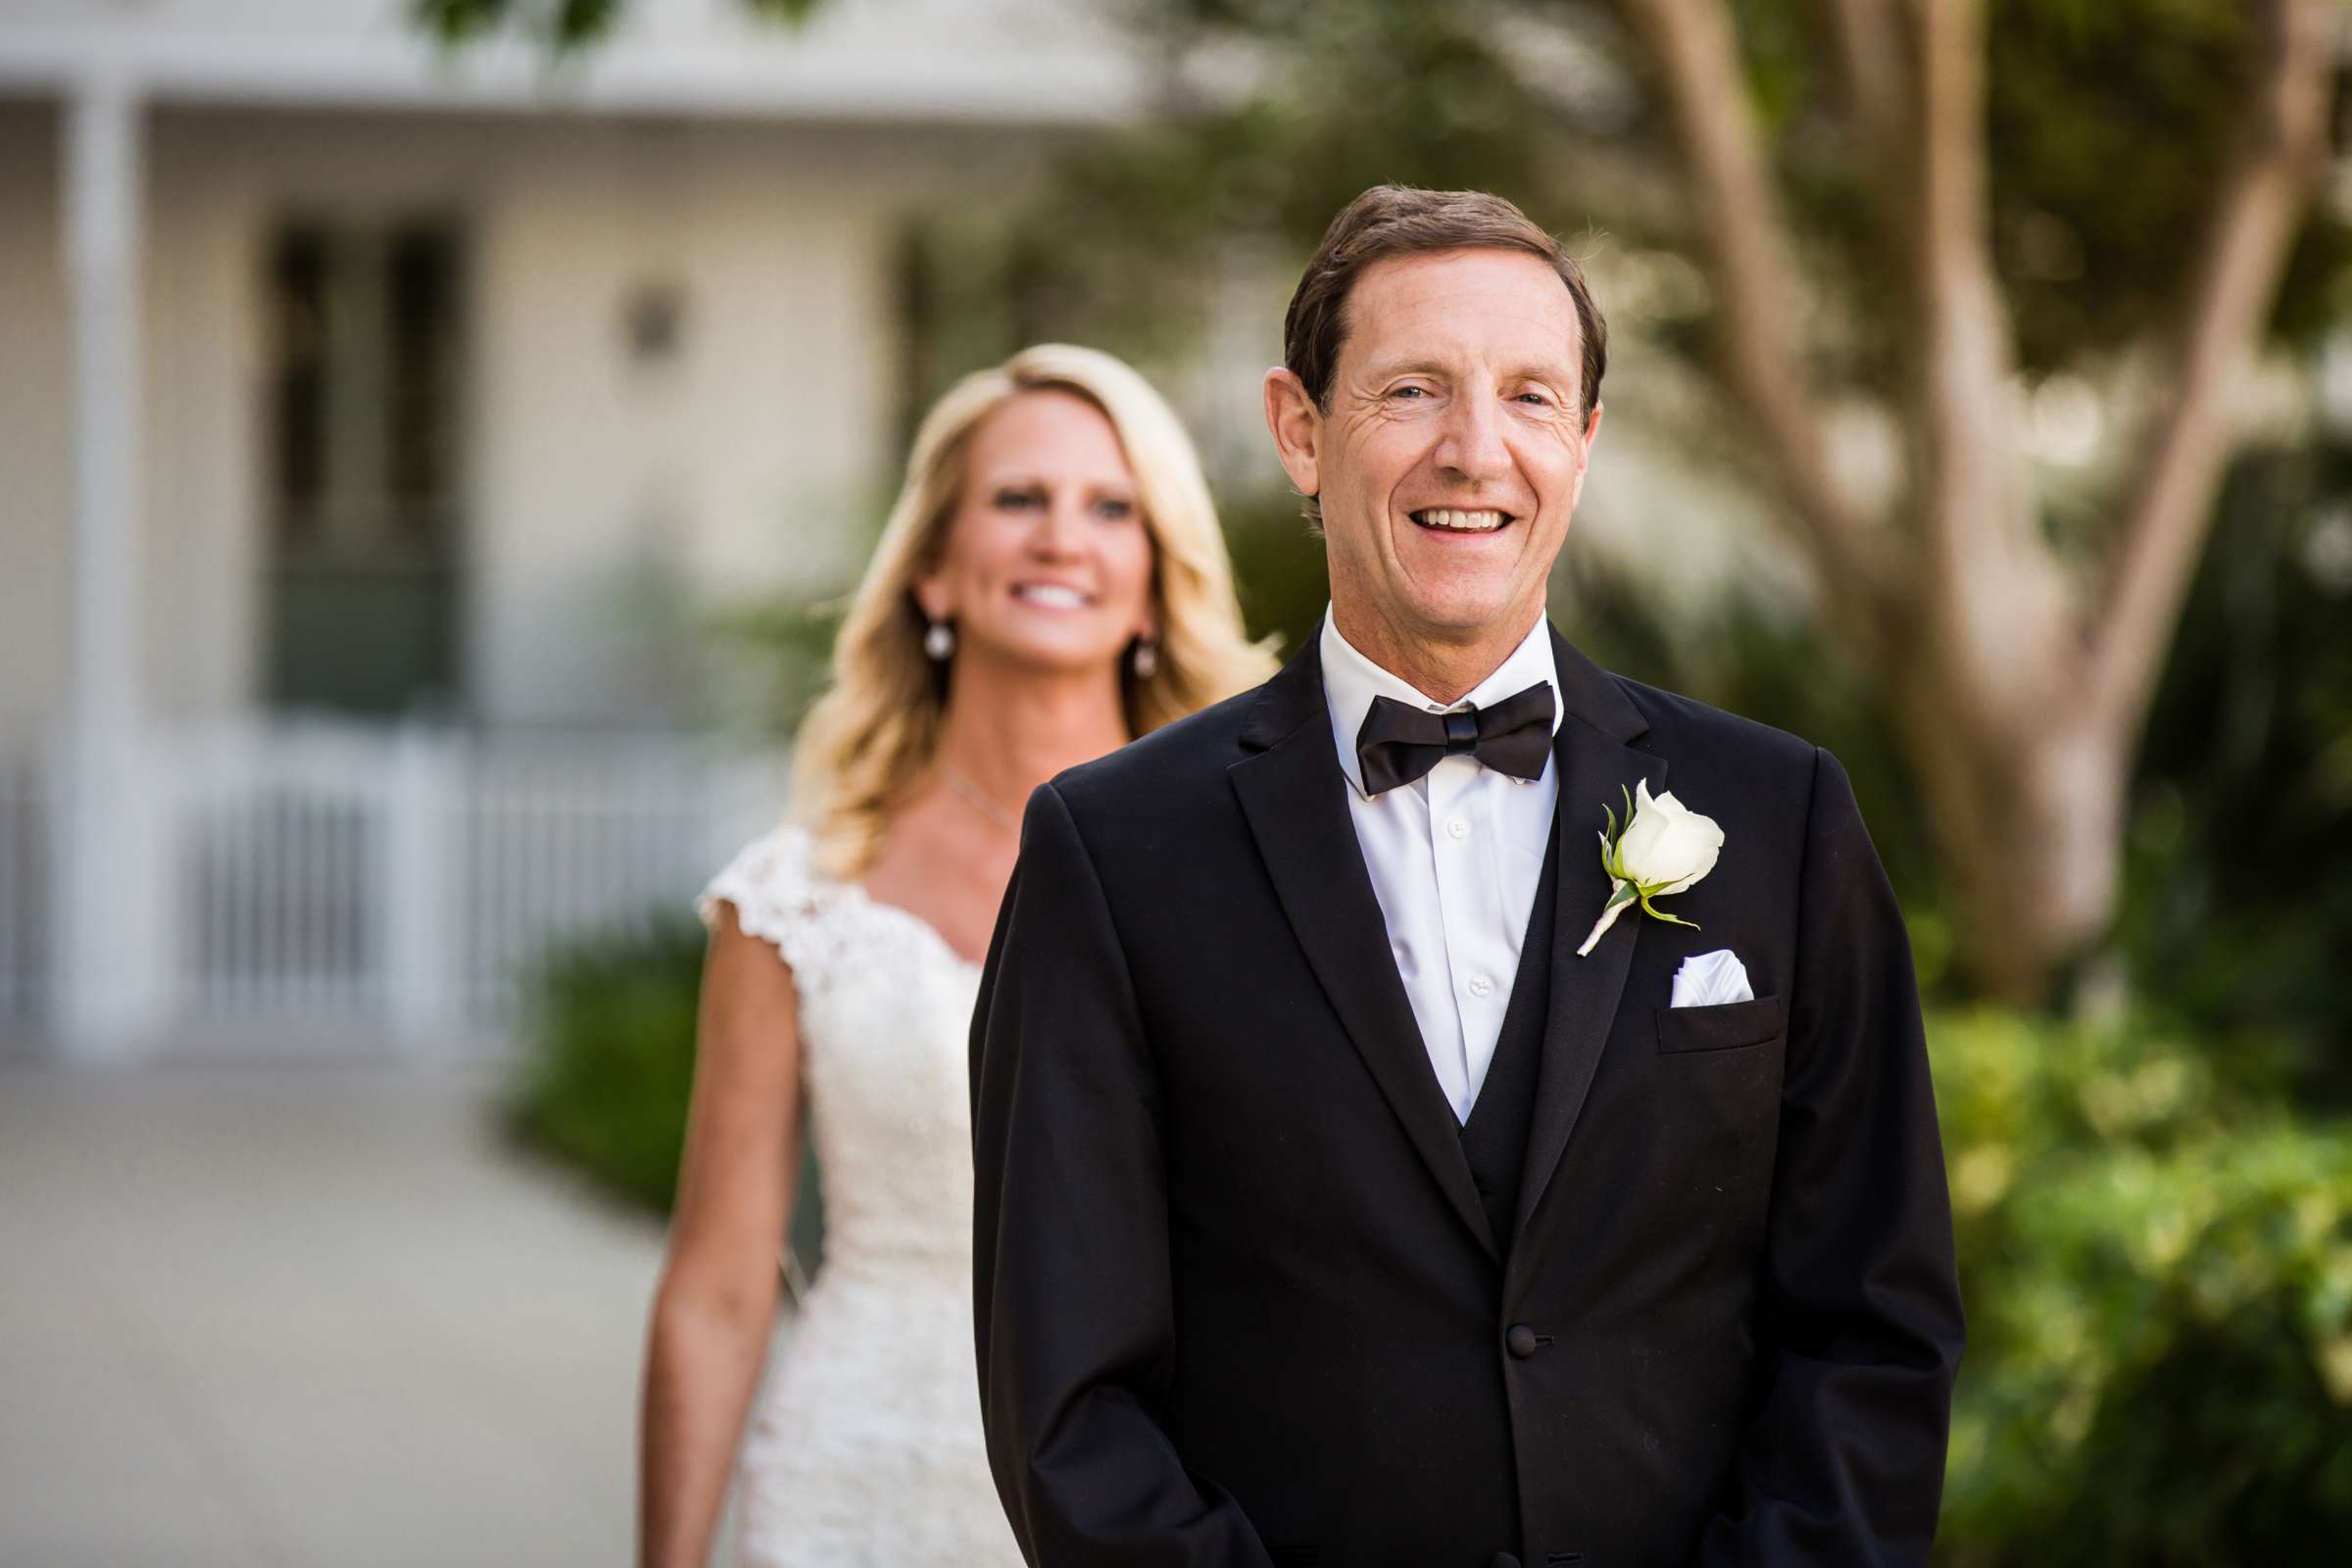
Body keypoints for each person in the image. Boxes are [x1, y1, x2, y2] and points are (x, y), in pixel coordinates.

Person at [971, 187, 1964, 1566]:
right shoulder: (1114, 850)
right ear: (1301, 431)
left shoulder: (1782, 817)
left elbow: (1874, 1326)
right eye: (1414, 390)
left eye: (1531, 397)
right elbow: (1068, 1396)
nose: (1475, 449)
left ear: (1586, 442)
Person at [641, 343, 1276, 1568]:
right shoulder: (792, 898)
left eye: (1109, 507)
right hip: (849, 1482)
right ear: (932, 569)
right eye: (1016, 500)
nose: (1060, 538)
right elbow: (719, 1288)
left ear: (1152, 585)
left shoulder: (1247, 874)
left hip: (1150, 1496)